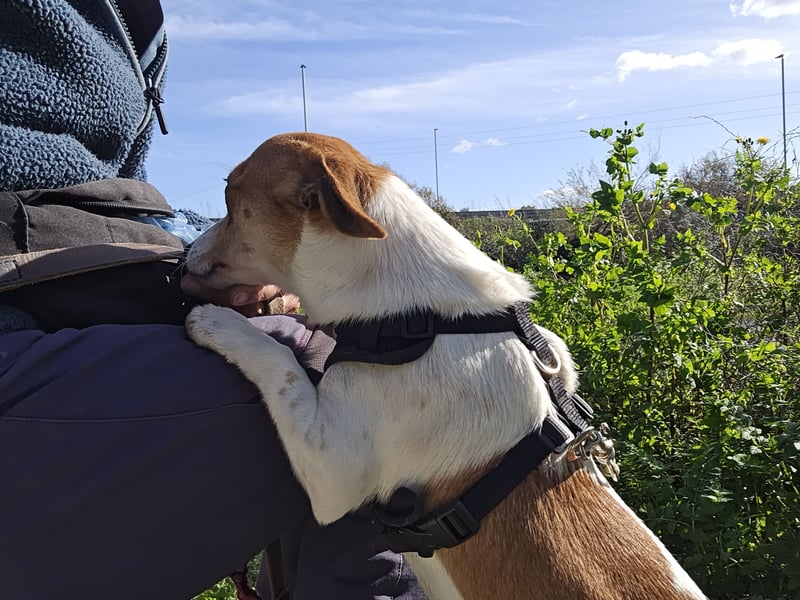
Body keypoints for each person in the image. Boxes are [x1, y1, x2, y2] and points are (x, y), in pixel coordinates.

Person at [0, 1, 426, 598]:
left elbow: (98, 203)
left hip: (108, 291)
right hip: (24, 320)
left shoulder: (135, 22)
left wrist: (196, 282)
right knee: (379, 389)